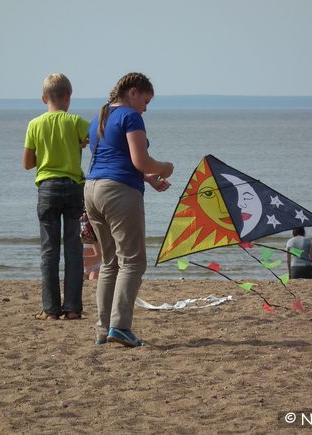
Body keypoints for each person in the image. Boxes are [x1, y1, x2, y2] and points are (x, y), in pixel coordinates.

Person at [84, 72, 174, 347]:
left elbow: (115, 159)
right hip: (119, 192)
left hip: (92, 189)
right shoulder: (130, 116)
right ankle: (120, 327)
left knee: (110, 262)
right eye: (145, 101)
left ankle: (103, 329)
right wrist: (164, 167)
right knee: (133, 262)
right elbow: (141, 160)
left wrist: (148, 179)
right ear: (133, 92)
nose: (145, 108)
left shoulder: (98, 118)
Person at [22, 73, 89, 320]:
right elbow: (96, 141)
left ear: (43, 99)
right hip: (73, 187)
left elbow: (27, 163)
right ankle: (72, 308)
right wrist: (77, 146)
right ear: (68, 97)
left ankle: (51, 309)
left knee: (49, 250)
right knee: (73, 248)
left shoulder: (35, 124)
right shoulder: (76, 122)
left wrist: (47, 158)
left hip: (47, 188)